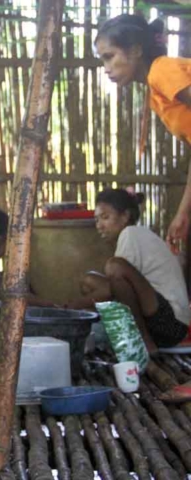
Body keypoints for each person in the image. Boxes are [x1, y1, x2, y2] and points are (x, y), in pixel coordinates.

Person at [95, 14, 191, 250]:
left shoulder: (162, 71)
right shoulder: (157, 91)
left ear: (136, 50)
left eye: (110, 57)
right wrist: (183, 213)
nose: (106, 69)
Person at [67, 189, 190, 353]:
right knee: (90, 279)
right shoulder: (135, 235)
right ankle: (124, 335)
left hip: (171, 324)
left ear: (125, 216)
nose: (99, 225)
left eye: (105, 217)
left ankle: (143, 342)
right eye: (96, 220)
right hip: (158, 317)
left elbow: (113, 288)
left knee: (115, 267)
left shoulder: (130, 234)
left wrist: (72, 307)